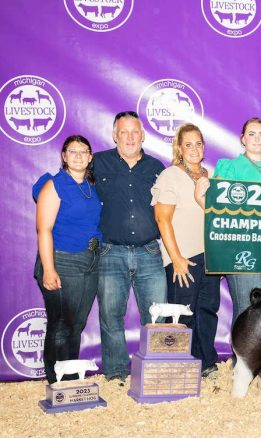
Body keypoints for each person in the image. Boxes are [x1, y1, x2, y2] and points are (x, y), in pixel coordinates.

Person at [93, 111, 167, 383]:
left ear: (143, 135)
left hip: (149, 250)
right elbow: (70, 181)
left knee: (157, 314)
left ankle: (158, 369)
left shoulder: (156, 167)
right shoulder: (97, 163)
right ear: (115, 135)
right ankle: (116, 373)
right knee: (111, 315)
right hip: (111, 252)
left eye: (135, 132)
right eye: (124, 132)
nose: (130, 137)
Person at [195, 117, 261, 324]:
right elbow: (217, 210)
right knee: (247, 309)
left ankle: (254, 357)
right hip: (241, 246)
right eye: (251, 134)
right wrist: (201, 199)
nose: (257, 139)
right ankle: (240, 357)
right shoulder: (229, 168)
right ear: (242, 139)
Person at [152, 123, 220, 378]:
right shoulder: (170, 175)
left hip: (210, 257)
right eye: (188, 144)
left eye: (199, 143)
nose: (194, 149)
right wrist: (176, 258)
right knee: (183, 312)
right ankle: (187, 363)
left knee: (207, 309)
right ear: (179, 148)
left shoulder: (210, 177)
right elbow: (162, 219)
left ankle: (207, 361)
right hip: (183, 256)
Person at [33, 135, 102, 384]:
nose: (79, 156)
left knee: (77, 324)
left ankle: (70, 378)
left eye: (84, 151)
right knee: (61, 325)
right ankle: (56, 382)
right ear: (64, 156)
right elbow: (44, 229)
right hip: (62, 260)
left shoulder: (91, 186)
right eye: (73, 151)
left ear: (90, 157)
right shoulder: (54, 185)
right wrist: (49, 269)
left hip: (90, 262)